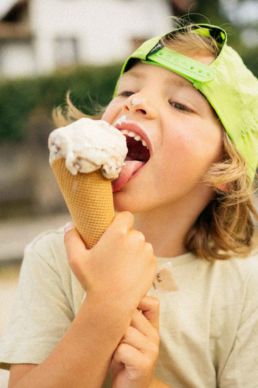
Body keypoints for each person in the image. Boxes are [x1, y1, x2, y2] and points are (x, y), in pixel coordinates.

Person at [0, 20, 258, 388]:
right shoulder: (56, 258)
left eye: (180, 104)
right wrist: (104, 309)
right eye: (126, 91)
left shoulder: (245, 286)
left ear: (225, 168)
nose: (136, 102)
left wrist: (147, 383)